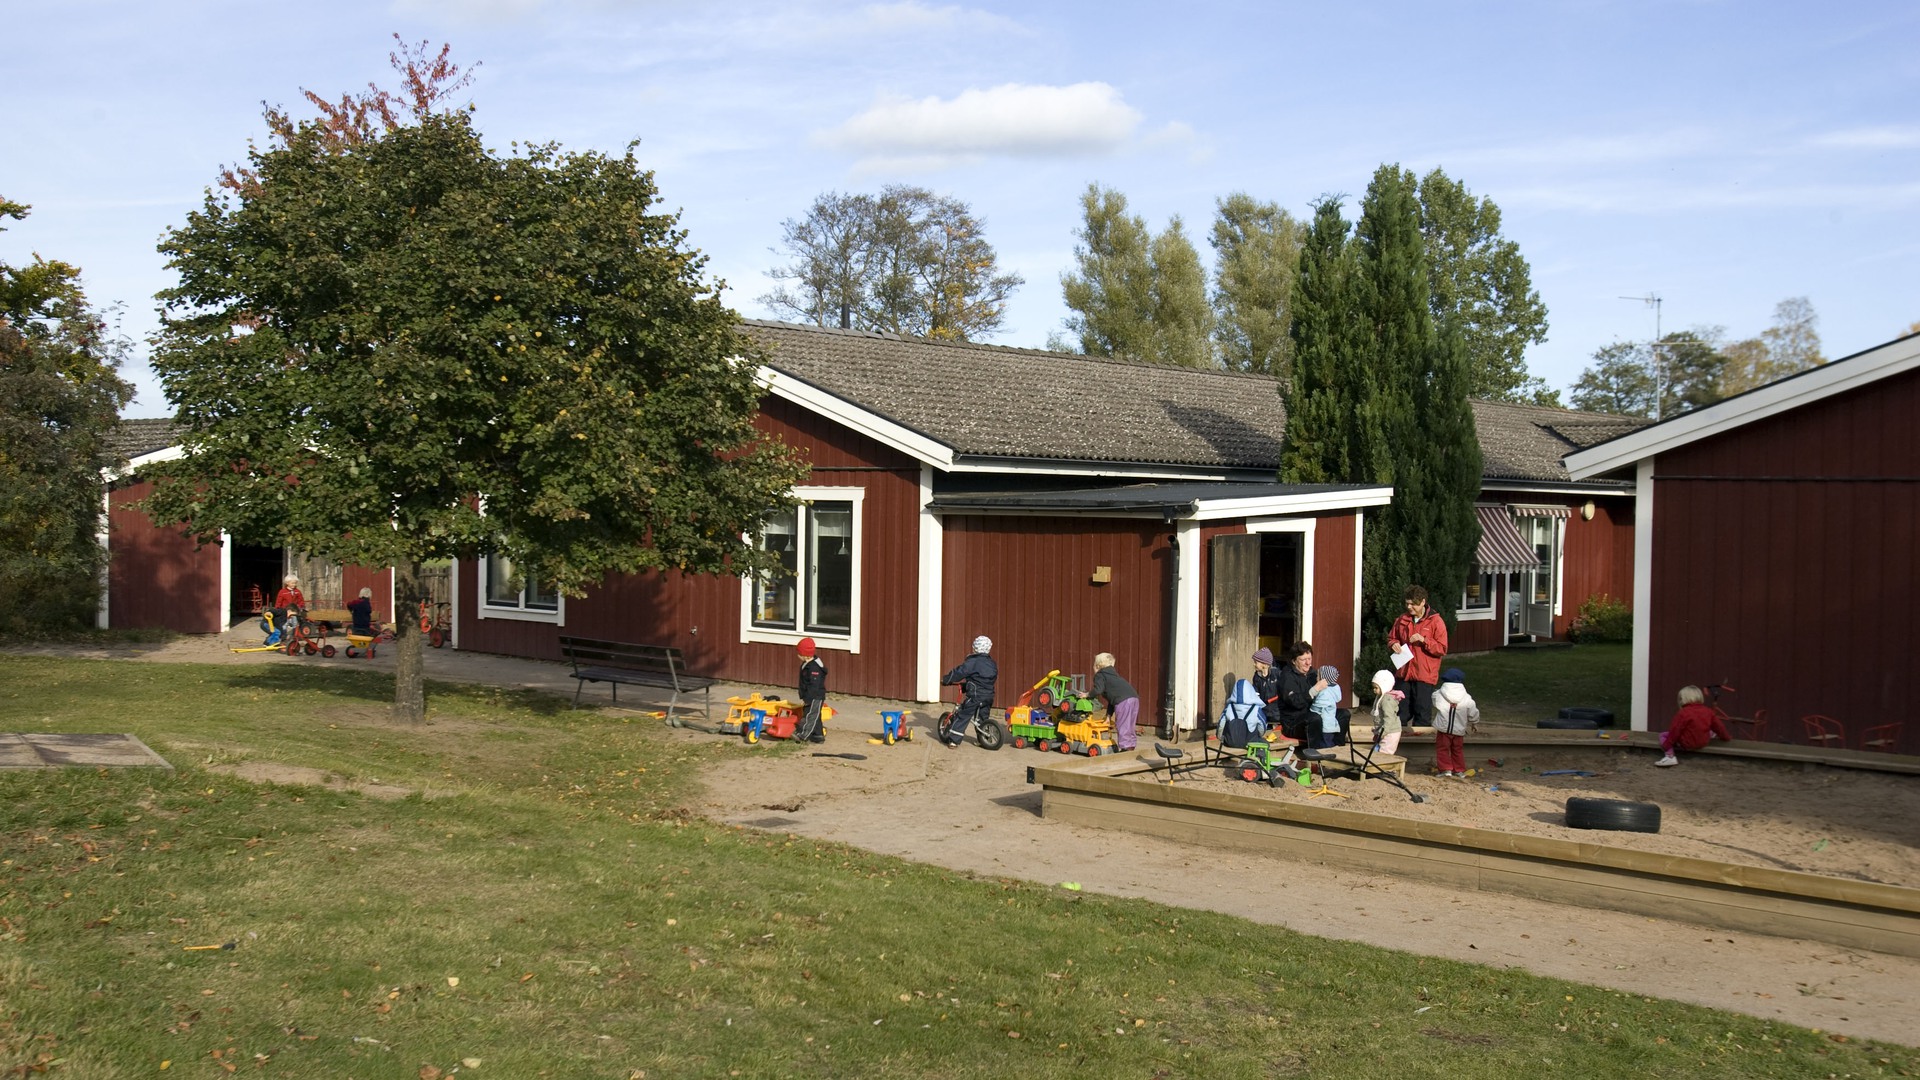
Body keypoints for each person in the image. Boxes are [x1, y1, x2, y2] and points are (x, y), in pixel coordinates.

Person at [1388, 585, 1448, 730]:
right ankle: (1397, 743)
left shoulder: (1436, 621)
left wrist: (1424, 640)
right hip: (1404, 673)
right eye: (1407, 603)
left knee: (1422, 714)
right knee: (1400, 713)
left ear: (1422, 602)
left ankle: (1421, 748)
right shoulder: (1402, 620)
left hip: (1424, 675)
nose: (1409, 607)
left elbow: (1442, 648)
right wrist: (1393, 644)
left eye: (1413, 604)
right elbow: (1392, 637)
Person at [939, 635, 997, 748]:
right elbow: (984, 680)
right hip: (989, 695)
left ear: (975, 648)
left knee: (963, 715)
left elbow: (959, 672)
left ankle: (953, 741)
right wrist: (967, 685)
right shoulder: (992, 664)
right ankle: (984, 739)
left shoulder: (973, 661)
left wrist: (947, 679)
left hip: (975, 695)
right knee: (982, 717)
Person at [1656, 685, 1732, 767]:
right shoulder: (1708, 711)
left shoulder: (1683, 713)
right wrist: (1726, 738)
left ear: (1683, 699)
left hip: (1687, 744)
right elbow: (1719, 727)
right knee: (1707, 728)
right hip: (1703, 742)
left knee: (1663, 735)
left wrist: (1667, 745)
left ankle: (1670, 757)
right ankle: (1711, 735)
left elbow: (1675, 730)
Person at [1431, 667, 1479, 778]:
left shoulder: (1439, 694)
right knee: (1457, 750)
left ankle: (1446, 769)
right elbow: (1473, 710)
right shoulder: (1466, 697)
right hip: (1459, 729)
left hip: (1444, 729)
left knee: (1442, 749)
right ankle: (1459, 770)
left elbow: (1434, 700)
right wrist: (1474, 722)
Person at [1274, 641, 1326, 743]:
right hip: (1292, 723)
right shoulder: (1287, 677)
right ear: (1294, 661)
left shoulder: (1313, 673)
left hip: (1313, 713)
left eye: (1309, 659)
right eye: (1303, 660)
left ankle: (1336, 749)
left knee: (1343, 714)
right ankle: (1316, 754)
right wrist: (1314, 690)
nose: (1308, 663)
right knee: (1314, 719)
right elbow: (1295, 702)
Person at [1090, 652, 1140, 751]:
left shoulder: (1100, 675)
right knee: (1130, 724)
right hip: (1134, 698)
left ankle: (1126, 748)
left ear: (1097, 666)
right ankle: (1131, 745)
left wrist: (1087, 695)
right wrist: (1108, 715)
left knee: (1122, 725)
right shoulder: (1113, 676)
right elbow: (1112, 699)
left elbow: (1098, 690)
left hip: (1123, 701)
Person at [792, 637, 828, 744]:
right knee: (815, 715)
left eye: (799, 653)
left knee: (810, 715)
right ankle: (818, 735)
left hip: (815, 696)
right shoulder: (806, 665)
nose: (797, 655)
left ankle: (803, 735)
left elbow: (814, 685)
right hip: (810, 696)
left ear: (805, 654)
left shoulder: (814, 668)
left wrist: (808, 698)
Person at [1309, 665, 1345, 750]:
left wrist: (1311, 709)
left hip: (1325, 724)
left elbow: (1318, 705)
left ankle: (1327, 759)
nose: (1316, 677)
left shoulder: (1325, 692)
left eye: (1318, 675)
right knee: (1329, 741)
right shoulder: (1334, 689)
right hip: (1331, 722)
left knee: (1325, 745)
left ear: (1324, 679)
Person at [1369, 669, 1405, 755]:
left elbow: (1389, 718)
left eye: (1376, 688)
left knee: (1385, 753)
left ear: (1384, 686)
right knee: (1378, 750)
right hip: (1384, 731)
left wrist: (1383, 731)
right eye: (1373, 687)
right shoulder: (1380, 697)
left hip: (1390, 732)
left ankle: (1386, 768)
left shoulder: (1386, 700)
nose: (1374, 690)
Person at [1249, 647, 1283, 735]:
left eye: (1256, 662)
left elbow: (1284, 688)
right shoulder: (1257, 677)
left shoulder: (1277, 674)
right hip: (1264, 710)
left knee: (1277, 734)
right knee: (1265, 733)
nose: (1254, 664)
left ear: (1264, 664)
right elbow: (1256, 692)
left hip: (1277, 712)